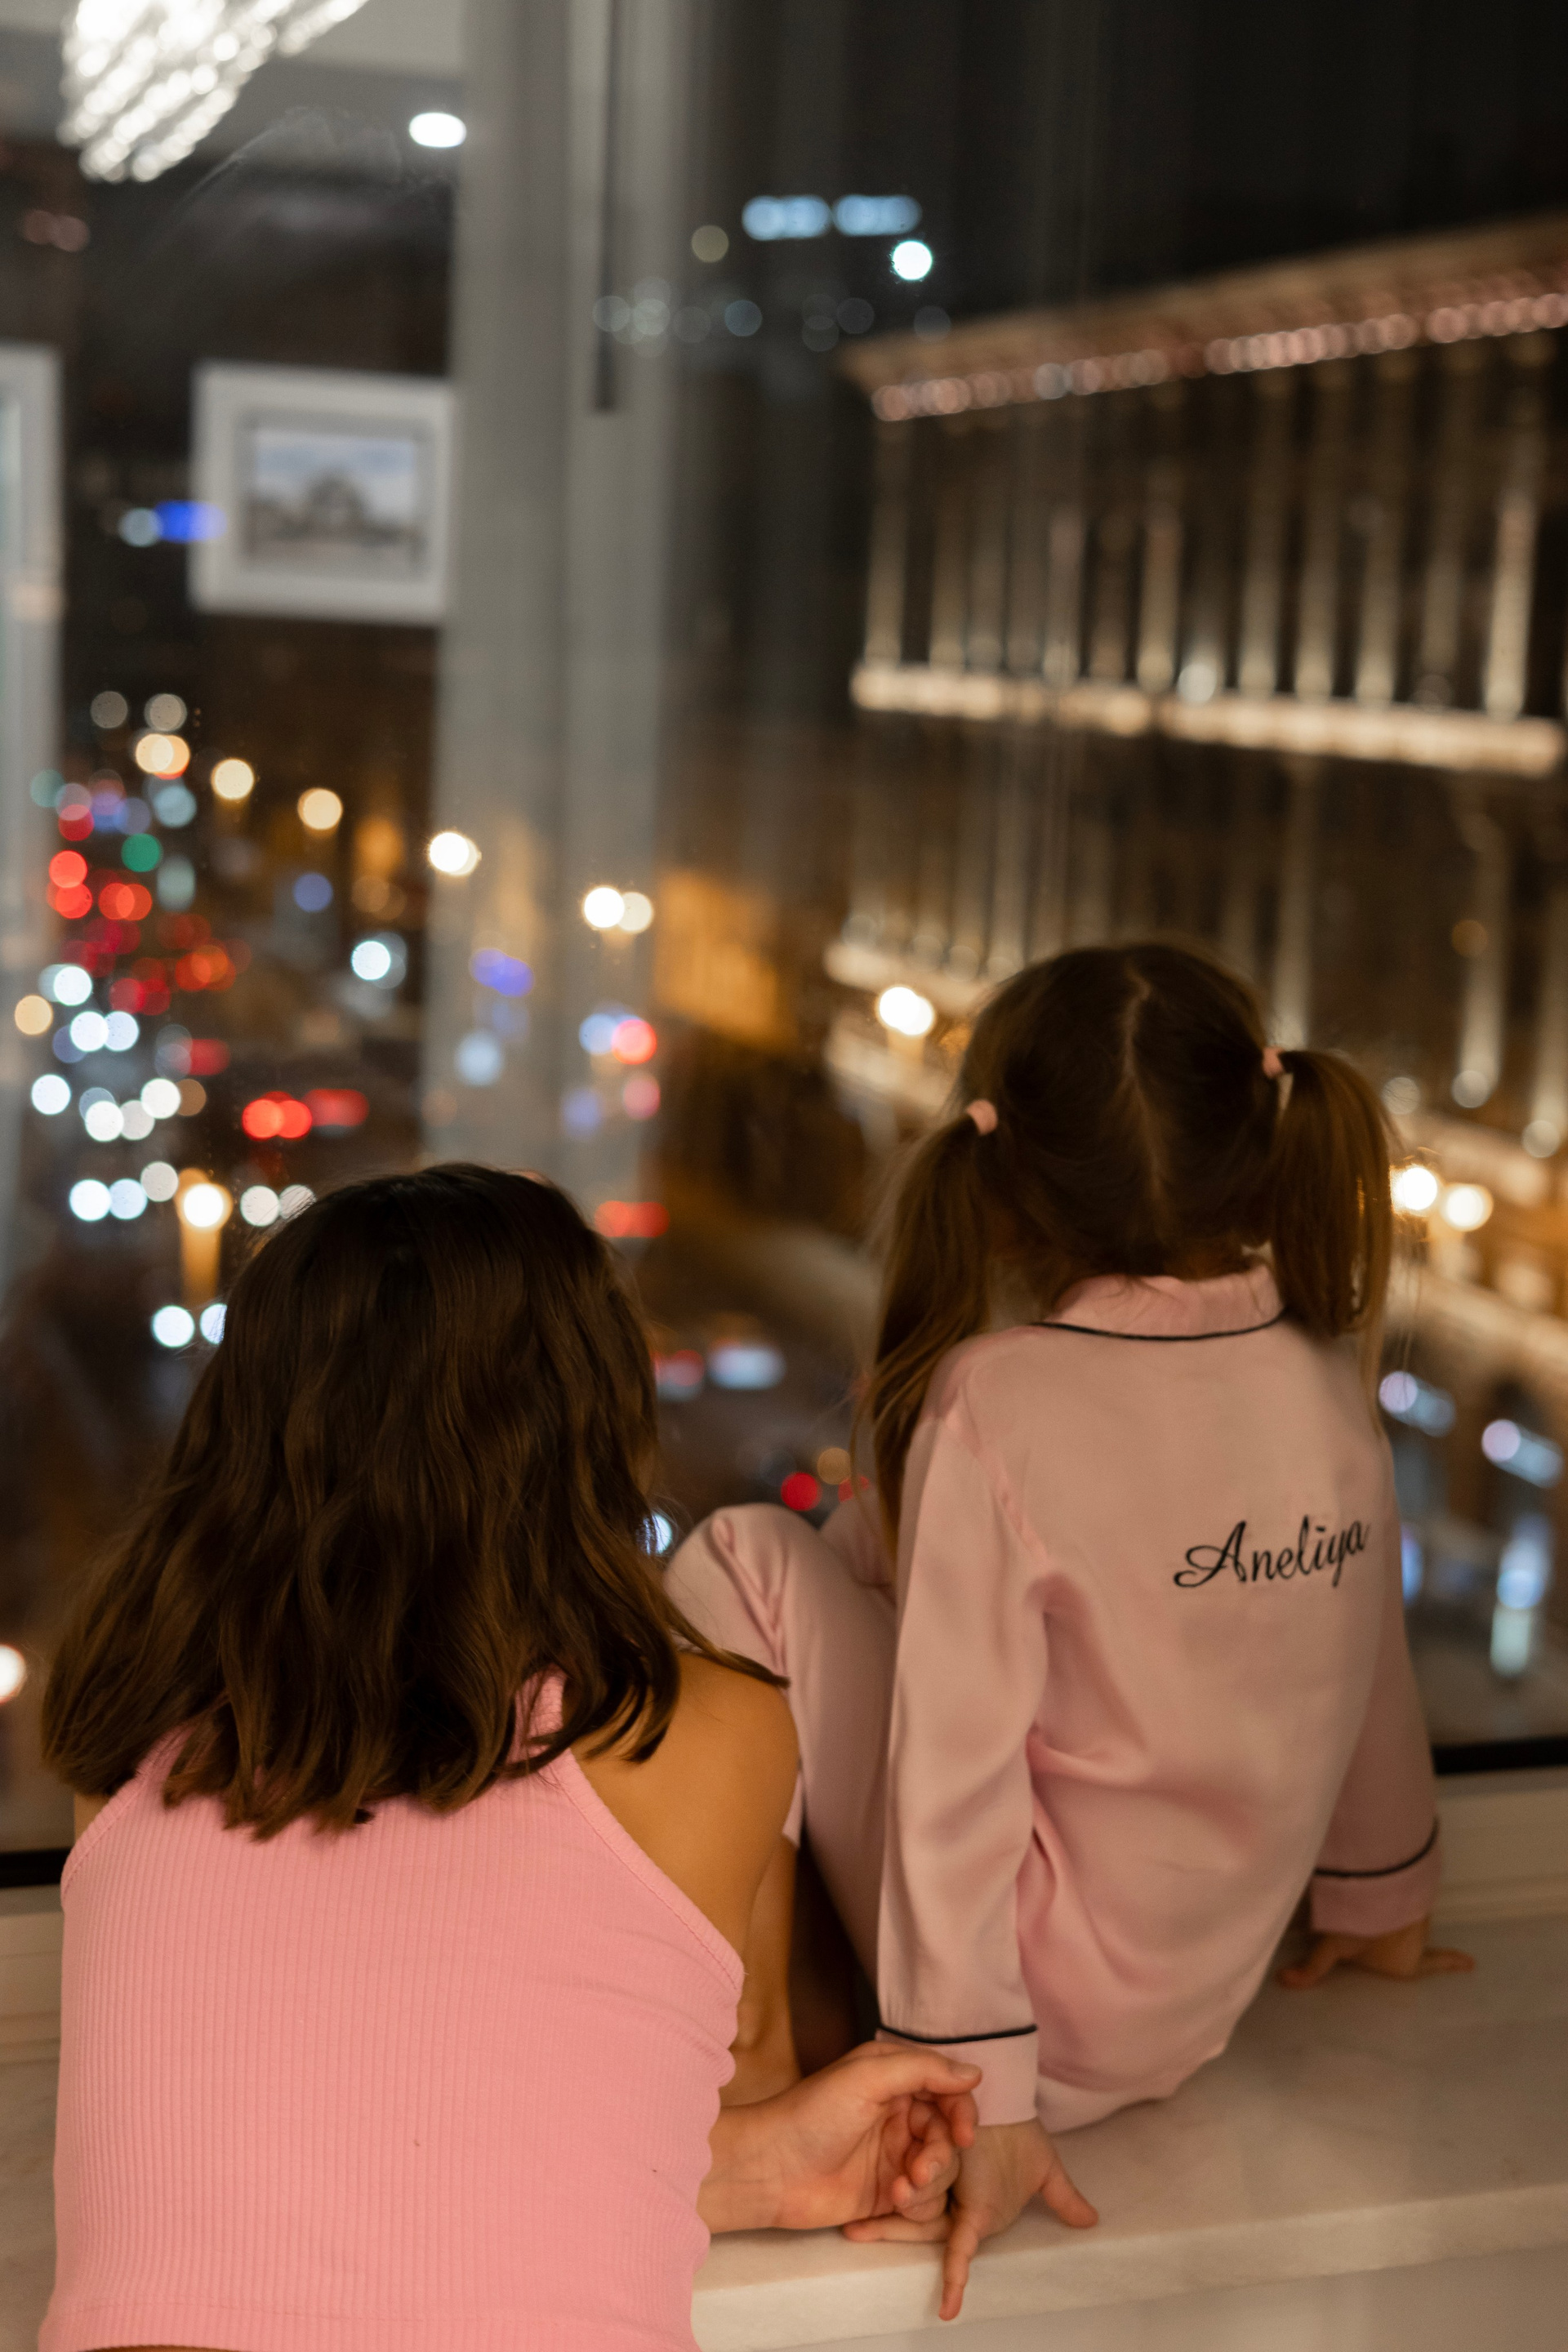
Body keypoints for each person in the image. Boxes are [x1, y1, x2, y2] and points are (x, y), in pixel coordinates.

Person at [38, 1165, 981, 2352]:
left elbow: (318, 2165)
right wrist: (765, 2145)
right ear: (591, 1421)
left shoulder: (127, 1740)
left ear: (243, 1419)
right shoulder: (701, 1735)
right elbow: (715, 2077)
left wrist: (754, 2174)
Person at [667, 942, 1472, 2320]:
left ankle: (756, 2069)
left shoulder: (1002, 1401)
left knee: (743, 1557)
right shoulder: (1326, 1379)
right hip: (1190, 2014)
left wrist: (985, 2093)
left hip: (1030, 2029)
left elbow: (957, 1778)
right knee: (859, 1566)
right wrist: (1383, 1902)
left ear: (1002, 1179)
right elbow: (1369, 1674)